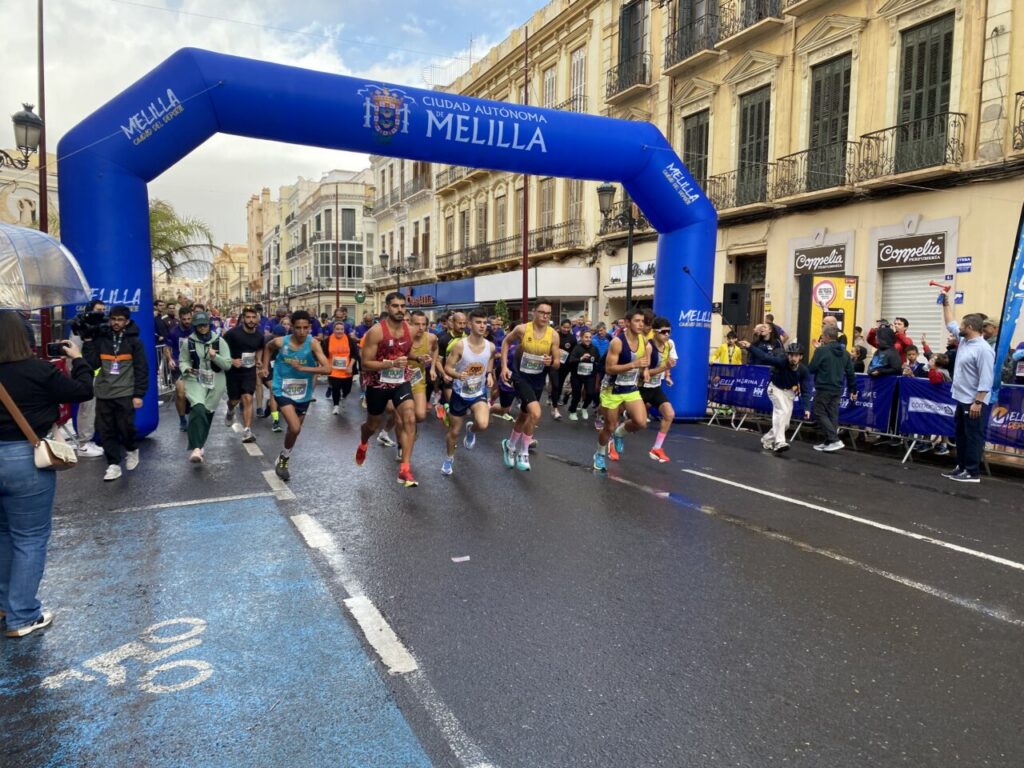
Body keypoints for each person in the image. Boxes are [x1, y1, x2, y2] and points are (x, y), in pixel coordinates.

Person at [0, 316, 94, 637]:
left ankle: (4, 604)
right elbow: (83, 391)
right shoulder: (39, 371)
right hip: (25, 459)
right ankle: (23, 615)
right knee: (30, 537)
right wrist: (78, 359)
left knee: (3, 533)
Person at [356, 293, 420, 487]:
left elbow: (405, 352)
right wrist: (391, 363)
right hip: (377, 384)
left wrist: (417, 358)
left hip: (400, 382)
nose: (400, 310)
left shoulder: (410, 330)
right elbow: (365, 364)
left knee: (410, 418)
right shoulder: (376, 332)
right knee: (372, 425)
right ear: (387, 307)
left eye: (402, 306)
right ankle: (363, 442)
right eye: (395, 306)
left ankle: (405, 470)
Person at [83, 305, 149, 481]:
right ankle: (113, 465)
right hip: (104, 392)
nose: (116, 323)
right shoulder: (101, 339)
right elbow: (92, 364)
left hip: (125, 392)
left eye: (120, 320)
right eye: (113, 319)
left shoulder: (135, 342)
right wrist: (88, 341)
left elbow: (141, 369)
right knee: (106, 431)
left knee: (126, 428)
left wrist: (138, 394)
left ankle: (131, 449)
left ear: (127, 322)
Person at [267, 310, 330, 481]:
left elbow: (327, 369)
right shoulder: (281, 342)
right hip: (282, 387)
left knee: (294, 431)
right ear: (291, 327)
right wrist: (264, 367)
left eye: (305, 328)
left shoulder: (313, 344)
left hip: (303, 391)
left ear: (309, 327)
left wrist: (303, 368)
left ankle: (284, 457)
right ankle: (284, 460)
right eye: (298, 328)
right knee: (295, 427)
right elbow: (268, 347)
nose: (302, 332)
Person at [500, 300, 560, 472]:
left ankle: (510, 445)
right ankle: (523, 452)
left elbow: (557, 363)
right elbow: (506, 342)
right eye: (542, 312)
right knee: (535, 413)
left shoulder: (553, 335)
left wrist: (551, 361)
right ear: (534, 312)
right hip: (520, 376)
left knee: (523, 415)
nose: (545, 316)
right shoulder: (522, 329)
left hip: (538, 379)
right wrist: (504, 367)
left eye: (548, 313)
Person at [940, 295, 994, 483]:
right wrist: (946, 304)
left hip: (974, 401)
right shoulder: (965, 341)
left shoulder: (983, 349)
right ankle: (961, 467)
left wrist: (978, 402)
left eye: (962, 326)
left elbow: (986, 378)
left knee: (973, 436)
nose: (959, 328)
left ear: (970, 328)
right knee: (961, 435)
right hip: (961, 398)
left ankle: (972, 472)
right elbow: (950, 323)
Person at [593, 309, 650, 471]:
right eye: (637, 321)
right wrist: (633, 365)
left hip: (630, 387)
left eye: (642, 321)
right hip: (612, 388)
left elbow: (644, 360)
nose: (641, 324)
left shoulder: (643, 340)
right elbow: (609, 368)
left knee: (641, 422)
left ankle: (620, 433)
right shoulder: (617, 342)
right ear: (627, 323)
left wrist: (645, 370)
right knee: (609, 427)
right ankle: (600, 453)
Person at [441, 309, 495, 476]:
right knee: (454, 432)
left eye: (484, 322)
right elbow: (447, 367)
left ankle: (471, 430)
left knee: (483, 424)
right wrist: (458, 375)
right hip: (459, 394)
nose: (482, 326)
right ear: (470, 325)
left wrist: (489, 374)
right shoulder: (460, 346)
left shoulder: (490, 346)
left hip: (478, 392)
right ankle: (449, 458)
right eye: (478, 322)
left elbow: (491, 358)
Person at [179, 312, 232, 464]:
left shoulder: (220, 341)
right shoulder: (188, 342)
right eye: (199, 325)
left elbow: (227, 365)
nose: (202, 328)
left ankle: (200, 445)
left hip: (216, 380)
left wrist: (215, 357)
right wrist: (187, 368)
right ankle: (196, 448)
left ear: (209, 324)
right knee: (198, 408)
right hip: (195, 379)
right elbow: (183, 361)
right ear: (195, 326)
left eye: (205, 325)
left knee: (207, 413)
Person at [742, 340, 812, 453]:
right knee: (781, 412)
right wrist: (750, 346)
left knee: (785, 424)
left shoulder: (803, 371)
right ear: (787, 356)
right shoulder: (781, 362)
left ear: (801, 357)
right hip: (775, 389)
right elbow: (765, 357)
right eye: (791, 355)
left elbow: (806, 391)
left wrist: (807, 408)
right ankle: (780, 442)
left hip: (789, 393)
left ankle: (767, 439)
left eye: (796, 356)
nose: (793, 358)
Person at [68, 299, 106, 458]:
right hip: (86, 375)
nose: (101, 313)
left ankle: (90, 440)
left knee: (96, 409)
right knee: (87, 409)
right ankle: (83, 443)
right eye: (98, 310)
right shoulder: (81, 327)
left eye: (103, 310)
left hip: (100, 374)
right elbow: (73, 352)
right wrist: (77, 373)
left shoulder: (101, 326)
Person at [809, 324, 856, 452]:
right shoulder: (845, 353)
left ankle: (834, 440)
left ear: (826, 336)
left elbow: (812, 368)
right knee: (832, 414)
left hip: (824, 386)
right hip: (838, 387)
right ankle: (829, 441)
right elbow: (850, 372)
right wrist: (853, 389)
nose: (821, 338)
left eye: (822, 335)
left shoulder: (821, 351)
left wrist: (817, 351)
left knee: (819, 412)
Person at [223, 305, 266, 443]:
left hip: (249, 371)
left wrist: (258, 360)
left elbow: (260, 348)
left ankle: (247, 431)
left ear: (257, 319)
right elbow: (221, 349)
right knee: (234, 401)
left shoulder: (259, 335)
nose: (251, 320)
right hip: (233, 372)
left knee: (248, 398)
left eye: (254, 317)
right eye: (248, 317)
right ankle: (230, 410)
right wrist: (231, 360)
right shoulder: (232, 334)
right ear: (243, 319)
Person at [641, 317, 678, 462]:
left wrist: (667, 375)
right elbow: (645, 373)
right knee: (638, 423)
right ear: (655, 332)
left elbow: (666, 362)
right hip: (640, 388)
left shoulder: (669, 345)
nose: (667, 335)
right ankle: (616, 436)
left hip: (655, 388)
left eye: (669, 332)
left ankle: (656, 448)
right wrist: (664, 368)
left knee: (669, 414)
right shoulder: (649, 347)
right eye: (663, 332)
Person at [407, 310, 440, 427]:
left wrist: (432, 368)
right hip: (400, 380)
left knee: (420, 415)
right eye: (417, 324)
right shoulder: (402, 337)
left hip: (417, 379)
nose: (421, 328)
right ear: (410, 324)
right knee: (400, 414)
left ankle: (409, 429)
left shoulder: (431, 338)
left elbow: (435, 349)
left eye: (423, 324)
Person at [164, 305, 194, 431]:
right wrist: (170, 359)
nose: (187, 321)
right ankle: (182, 420)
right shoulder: (174, 332)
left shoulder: (196, 329)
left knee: (193, 395)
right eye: (184, 319)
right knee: (181, 394)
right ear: (180, 318)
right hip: (179, 365)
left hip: (194, 366)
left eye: (189, 319)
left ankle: (192, 415)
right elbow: (167, 348)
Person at [322, 318, 356, 415]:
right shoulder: (328, 340)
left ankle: (344, 396)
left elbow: (355, 354)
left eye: (341, 329)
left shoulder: (349, 339)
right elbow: (323, 355)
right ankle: (336, 406)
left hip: (347, 370)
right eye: (337, 329)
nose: (339, 331)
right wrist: (325, 366)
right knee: (335, 388)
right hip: (333, 370)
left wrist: (350, 366)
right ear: (334, 330)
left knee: (347, 389)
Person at [567, 330, 601, 421]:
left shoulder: (594, 349)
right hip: (577, 375)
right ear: (581, 338)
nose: (588, 339)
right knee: (576, 395)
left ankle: (584, 408)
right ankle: (573, 411)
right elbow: (571, 360)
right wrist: (581, 358)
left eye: (590, 337)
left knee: (590, 393)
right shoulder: (577, 348)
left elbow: (599, 360)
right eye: (586, 337)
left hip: (590, 375)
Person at [549, 319, 577, 420]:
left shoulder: (572, 338)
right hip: (554, 364)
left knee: (559, 385)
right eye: (564, 327)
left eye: (568, 327)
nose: (566, 329)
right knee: (555, 385)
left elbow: (574, 353)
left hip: (565, 366)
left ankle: (554, 402)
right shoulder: (555, 335)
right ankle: (555, 408)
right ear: (560, 326)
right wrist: (556, 351)